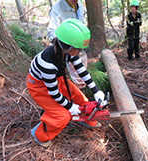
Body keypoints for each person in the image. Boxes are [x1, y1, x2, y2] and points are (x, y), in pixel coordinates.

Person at [26, 18, 105, 147]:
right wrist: (70, 107)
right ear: (68, 46)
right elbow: (54, 93)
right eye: (78, 49)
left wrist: (96, 91)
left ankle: (87, 120)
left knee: (82, 99)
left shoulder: (69, 52)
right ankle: (40, 135)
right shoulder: (47, 62)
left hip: (56, 80)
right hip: (39, 87)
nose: (80, 52)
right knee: (62, 116)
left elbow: (82, 71)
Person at [47, 0, 87, 91]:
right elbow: (51, 32)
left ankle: (81, 93)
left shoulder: (79, 5)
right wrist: (63, 47)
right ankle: (76, 96)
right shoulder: (57, 8)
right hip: (67, 48)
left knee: (82, 71)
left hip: (78, 45)